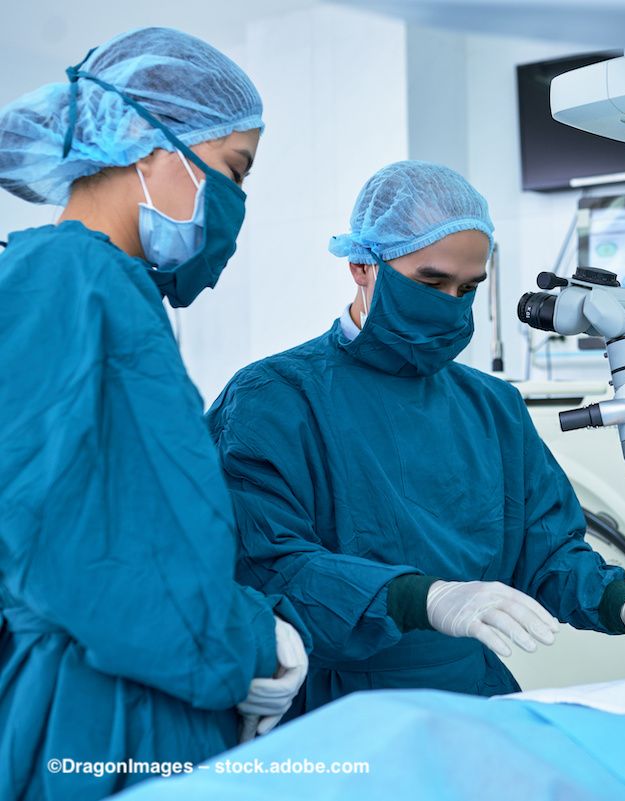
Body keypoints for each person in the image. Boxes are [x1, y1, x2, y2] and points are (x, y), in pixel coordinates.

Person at [206, 161, 625, 713]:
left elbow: (547, 549)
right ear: (361, 266)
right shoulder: (273, 398)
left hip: (469, 694)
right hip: (332, 706)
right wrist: (421, 599)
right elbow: (269, 566)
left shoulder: (492, 406)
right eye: (431, 282)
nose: (450, 302)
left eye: (468, 287)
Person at [0, 28, 308, 800]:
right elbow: (71, 548)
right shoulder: (65, 276)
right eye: (233, 169)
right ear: (149, 142)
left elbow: (140, 518)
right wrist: (245, 639)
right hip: (96, 708)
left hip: (141, 681)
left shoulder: (112, 287)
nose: (234, 202)